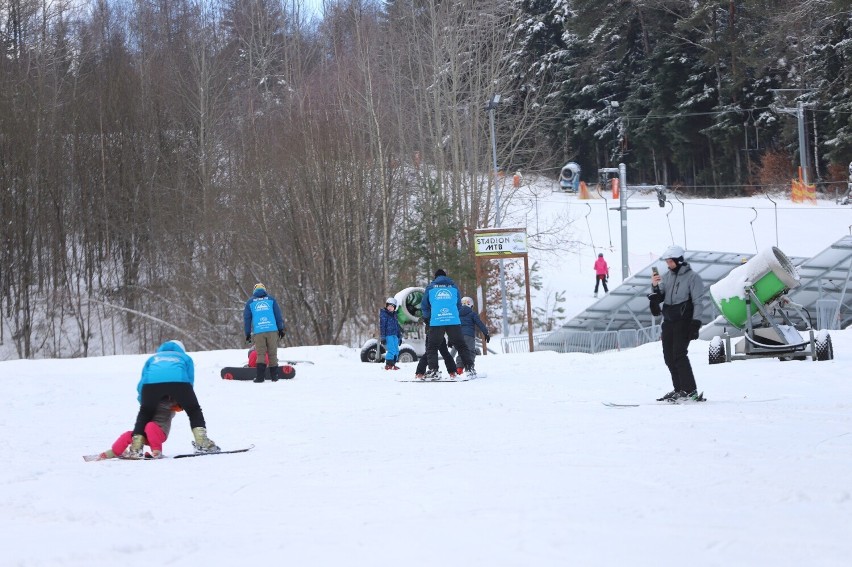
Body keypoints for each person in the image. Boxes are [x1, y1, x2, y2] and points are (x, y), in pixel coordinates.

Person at [129, 340, 219, 458]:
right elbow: (189, 380)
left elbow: (143, 381)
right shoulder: (185, 357)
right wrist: (183, 402)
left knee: (145, 413)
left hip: (150, 385)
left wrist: (144, 401)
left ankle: (136, 447)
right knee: (193, 410)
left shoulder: (153, 358)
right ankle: (202, 442)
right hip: (179, 382)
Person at [650, 245, 705, 402]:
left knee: (679, 354)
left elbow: (698, 302)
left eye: (671, 261)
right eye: (667, 262)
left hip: (684, 321)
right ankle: (679, 389)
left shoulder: (693, 278)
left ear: (679, 260)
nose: (668, 264)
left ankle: (690, 390)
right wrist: (654, 286)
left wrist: (695, 323)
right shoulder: (667, 277)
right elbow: (659, 296)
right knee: (668, 356)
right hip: (668, 321)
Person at [420, 269, 475, 380]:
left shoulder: (430, 288)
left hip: (437, 321)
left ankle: (434, 371)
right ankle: (470, 369)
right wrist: (452, 315)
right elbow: (459, 305)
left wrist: (428, 318)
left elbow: (424, 306)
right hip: (453, 321)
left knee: (432, 347)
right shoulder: (454, 287)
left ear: (435, 277)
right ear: (446, 276)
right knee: (461, 345)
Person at [97, 397, 181, 459]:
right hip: (146, 433)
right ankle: (114, 451)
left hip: (160, 433)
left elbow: (182, 401)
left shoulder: (171, 402)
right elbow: (141, 396)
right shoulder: (150, 399)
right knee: (128, 435)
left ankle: (156, 451)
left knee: (150, 426)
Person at [244, 283, 285, 383]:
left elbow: (247, 319)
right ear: (265, 290)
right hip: (272, 330)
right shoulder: (271, 300)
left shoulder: (250, 302)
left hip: (259, 331)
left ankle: (260, 378)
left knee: (260, 354)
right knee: (272, 354)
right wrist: (281, 329)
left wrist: (248, 333)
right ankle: (274, 377)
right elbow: (278, 315)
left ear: (254, 291)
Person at [455, 296, 490, 373]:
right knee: (470, 351)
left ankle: (459, 368)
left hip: (459, 336)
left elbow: (453, 325)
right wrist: (486, 333)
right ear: (471, 305)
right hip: (469, 336)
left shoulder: (456, 314)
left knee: (461, 351)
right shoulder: (472, 314)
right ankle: (469, 368)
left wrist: (451, 338)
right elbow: (479, 323)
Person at [380, 297, 403, 370]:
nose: (390, 308)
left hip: (395, 335)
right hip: (388, 335)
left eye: (392, 306)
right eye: (389, 306)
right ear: (386, 306)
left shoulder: (395, 316)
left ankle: (393, 364)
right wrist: (383, 337)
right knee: (391, 350)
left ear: (394, 308)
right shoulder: (384, 315)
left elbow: (397, 327)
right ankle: (389, 365)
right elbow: (382, 326)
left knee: (396, 350)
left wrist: (399, 337)